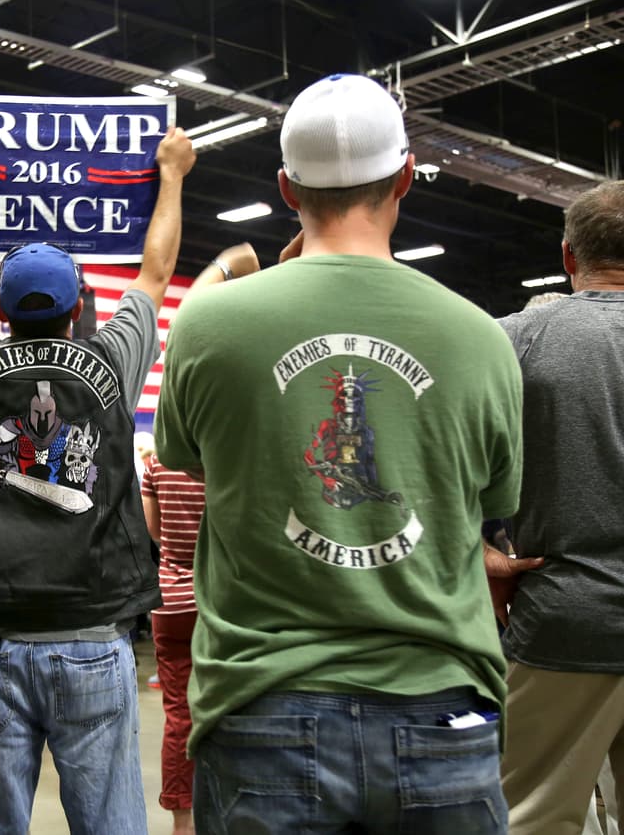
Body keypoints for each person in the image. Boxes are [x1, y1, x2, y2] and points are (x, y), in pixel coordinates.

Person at [155, 73, 526, 834]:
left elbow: (188, 457)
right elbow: (494, 503)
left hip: (263, 711)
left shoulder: (209, 325)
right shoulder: (480, 336)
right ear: (407, 176)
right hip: (439, 712)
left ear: (287, 190)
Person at [0, 114, 195, 835]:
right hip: (93, 634)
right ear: (76, 309)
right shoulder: (114, 361)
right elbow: (156, 272)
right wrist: (174, 176)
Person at [494, 179, 624, 835]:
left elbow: (431, 455)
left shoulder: (513, 339)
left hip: (564, 624)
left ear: (569, 255)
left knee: (532, 819)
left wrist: (475, 550)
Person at [141, 450, 208, 835]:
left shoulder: (156, 464)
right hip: (222, 602)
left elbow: (154, 531)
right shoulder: (224, 455)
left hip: (171, 603)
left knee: (179, 717)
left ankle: (183, 824)